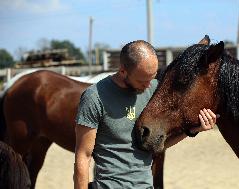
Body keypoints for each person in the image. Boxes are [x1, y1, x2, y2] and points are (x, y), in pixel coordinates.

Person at [74, 40, 217, 189]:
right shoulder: (94, 97)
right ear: (123, 71)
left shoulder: (154, 90)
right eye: (143, 80)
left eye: (152, 77)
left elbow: (158, 145)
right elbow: (83, 156)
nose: (149, 85)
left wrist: (192, 130)